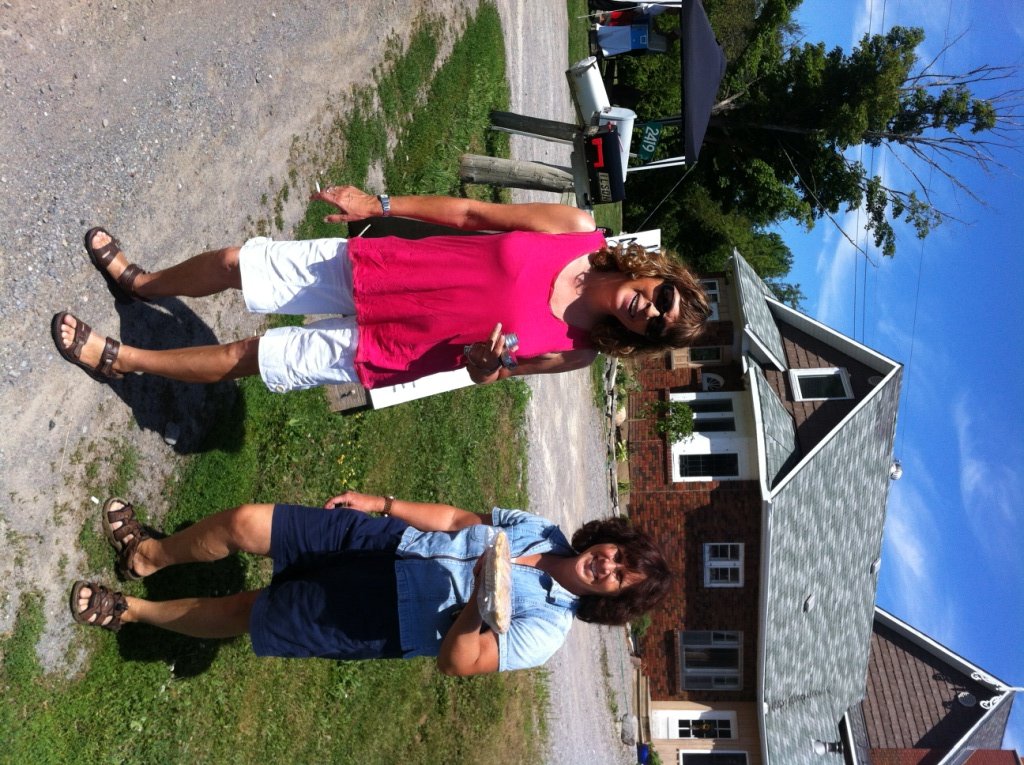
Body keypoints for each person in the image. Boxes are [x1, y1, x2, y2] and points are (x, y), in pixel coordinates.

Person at [51, 186, 710, 392]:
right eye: (663, 299)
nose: (649, 311)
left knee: (255, 356)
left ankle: (126, 361)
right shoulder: (575, 230)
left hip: (395, 348)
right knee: (235, 262)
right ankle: (142, 283)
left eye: (656, 326)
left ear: (641, 338)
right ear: (657, 275)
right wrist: (380, 203)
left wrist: (485, 366)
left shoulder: (578, 350)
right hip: (386, 268)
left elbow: (492, 373)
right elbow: (471, 215)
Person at [71, 492, 672, 674]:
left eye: (620, 579)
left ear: (612, 600)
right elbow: (458, 522)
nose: (608, 566)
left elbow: (459, 663)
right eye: (618, 555)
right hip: (386, 542)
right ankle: (147, 555)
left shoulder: (546, 631)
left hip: (382, 615)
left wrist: (479, 603)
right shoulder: (544, 531)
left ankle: (130, 612)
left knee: (248, 611)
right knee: (246, 522)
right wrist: (383, 504)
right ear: (609, 538)